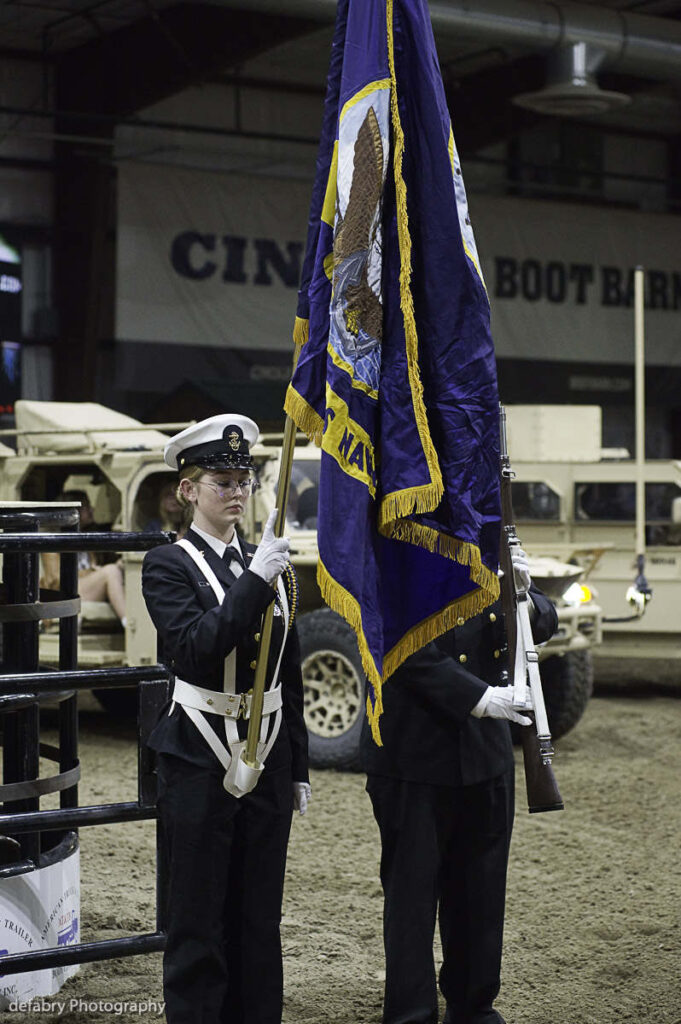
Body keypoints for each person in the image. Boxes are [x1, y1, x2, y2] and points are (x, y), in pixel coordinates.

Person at [141, 413, 310, 1024]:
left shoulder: (269, 563)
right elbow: (194, 647)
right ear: (188, 490)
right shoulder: (169, 565)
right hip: (198, 751)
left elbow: (286, 669)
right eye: (221, 478)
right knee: (197, 918)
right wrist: (255, 582)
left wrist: (299, 765)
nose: (237, 489)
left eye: (244, 477)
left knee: (259, 918)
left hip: (266, 752)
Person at [360, 549, 558, 1024]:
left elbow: (543, 621)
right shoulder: (397, 540)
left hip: (485, 752)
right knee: (412, 897)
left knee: (481, 892)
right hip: (415, 753)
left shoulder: (484, 535)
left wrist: (525, 597)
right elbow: (395, 642)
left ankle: (473, 1006)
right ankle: (411, 1013)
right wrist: (477, 696)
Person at [41, 489, 126, 625]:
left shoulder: (86, 538)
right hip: (64, 594)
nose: (91, 510)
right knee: (110, 571)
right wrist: (93, 572)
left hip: (83, 589)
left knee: (118, 571)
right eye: (86, 506)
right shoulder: (52, 542)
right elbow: (55, 579)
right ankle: (129, 624)